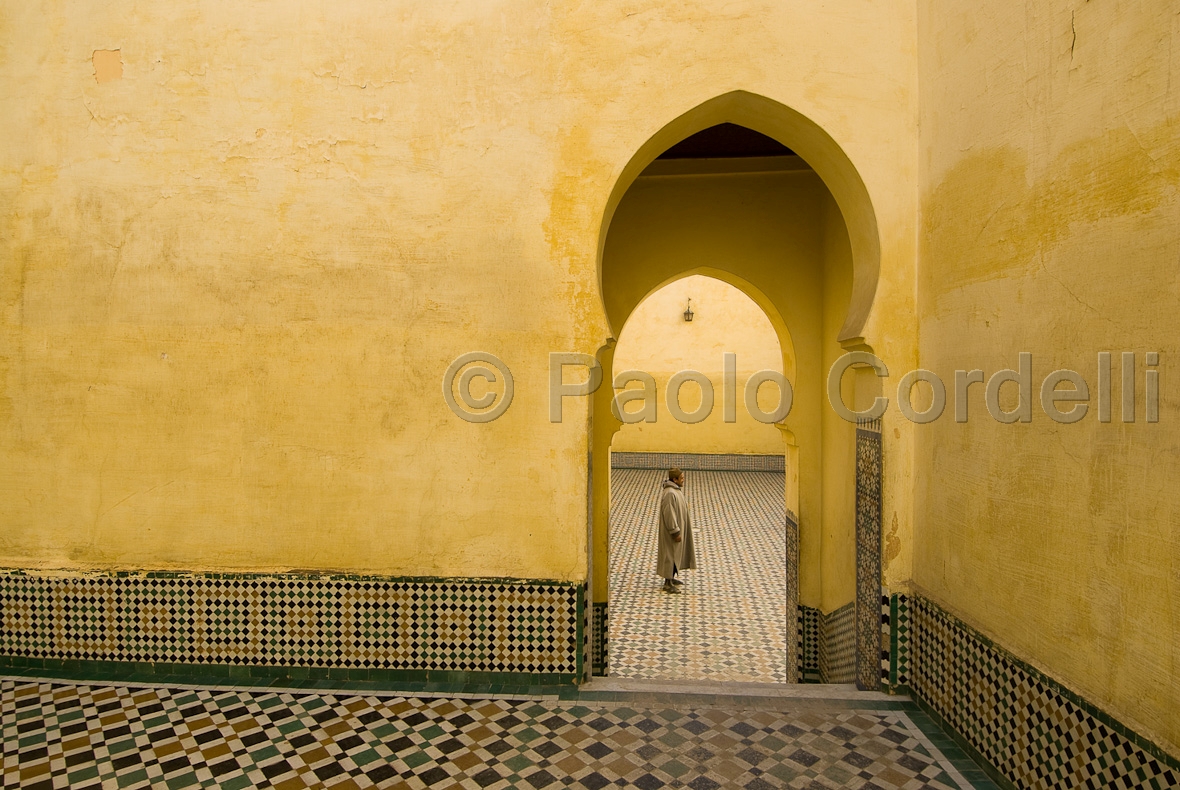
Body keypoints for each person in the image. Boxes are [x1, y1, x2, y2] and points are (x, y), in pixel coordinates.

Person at [657, 467, 696, 593]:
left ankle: (672, 578)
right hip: (671, 532)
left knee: (675, 554)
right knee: (670, 555)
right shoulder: (669, 493)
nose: (683, 480)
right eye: (681, 478)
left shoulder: (675, 491)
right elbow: (669, 514)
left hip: (678, 528)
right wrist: (675, 531)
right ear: (674, 479)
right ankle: (667, 583)